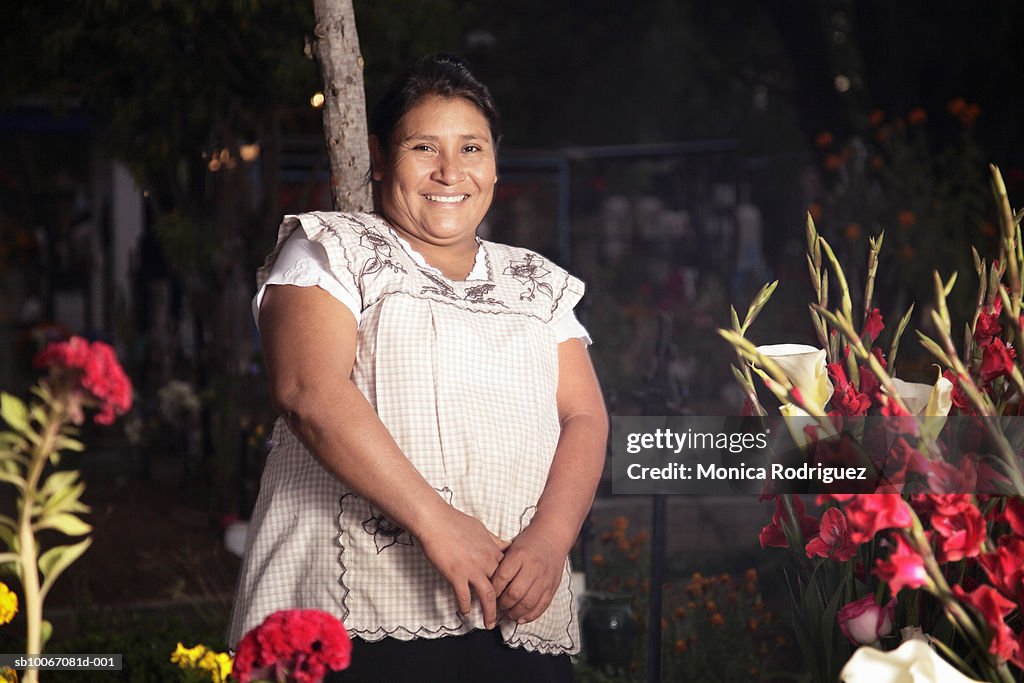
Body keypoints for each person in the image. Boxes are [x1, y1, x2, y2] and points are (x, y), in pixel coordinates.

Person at [227, 53, 607, 682]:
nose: (449, 171)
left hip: (513, 606)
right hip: (355, 617)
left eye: (471, 148)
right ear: (380, 158)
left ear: (494, 162)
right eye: (424, 146)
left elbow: (585, 415)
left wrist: (550, 539)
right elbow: (307, 390)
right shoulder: (331, 248)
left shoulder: (536, 281)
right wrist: (440, 526)